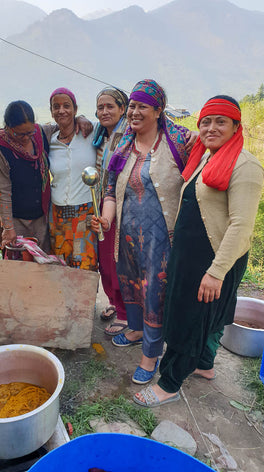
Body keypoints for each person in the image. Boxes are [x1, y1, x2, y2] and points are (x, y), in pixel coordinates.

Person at [133, 95, 264, 407]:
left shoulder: (245, 166)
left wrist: (216, 273)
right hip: (190, 255)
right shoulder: (207, 156)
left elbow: (240, 226)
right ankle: (204, 366)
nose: (211, 127)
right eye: (206, 121)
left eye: (221, 121)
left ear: (236, 126)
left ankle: (169, 383)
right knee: (205, 317)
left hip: (213, 259)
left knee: (188, 321)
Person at [91, 79, 195, 385]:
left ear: (158, 110)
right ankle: (135, 329)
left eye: (142, 107)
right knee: (131, 283)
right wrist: (107, 222)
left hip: (162, 238)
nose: (135, 112)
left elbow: (200, 168)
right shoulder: (123, 146)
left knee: (154, 293)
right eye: (132, 106)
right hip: (127, 236)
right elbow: (110, 191)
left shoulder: (177, 141)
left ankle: (151, 356)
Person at [0, 100, 51, 257]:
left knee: (41, 264)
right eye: (19, 134)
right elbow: (2, 191)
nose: (26, 137)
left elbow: (62, 127)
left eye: (29, 132)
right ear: (8, 127)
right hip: (14, 219)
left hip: (40, 217)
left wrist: (80, 119)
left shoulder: (39, 133)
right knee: (17, 265)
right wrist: (8, 229)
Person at [92, 87, 129, 335]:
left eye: (110, 106)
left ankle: (126, 314)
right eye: (101, 107)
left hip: (123, 209)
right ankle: (113, 303)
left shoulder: (129, 134)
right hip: (100, 206)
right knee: (104, 262)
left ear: (122, 109)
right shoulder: (98, 136)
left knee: (119, 262)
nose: (104, 111)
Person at [49, 87, 98, 271]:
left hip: (85, 215)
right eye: (56, 107)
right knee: (60, 267)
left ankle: (87, 302)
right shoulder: (50, 141)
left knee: (85, 268)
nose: (61, 110)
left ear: (75, 110)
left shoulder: (91, 133)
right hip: (57, 216)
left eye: (66, 106)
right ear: (52, 112)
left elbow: (118, 125)